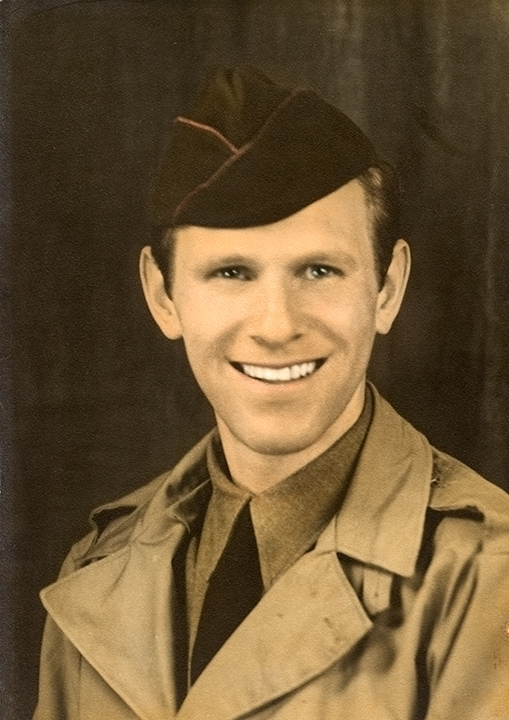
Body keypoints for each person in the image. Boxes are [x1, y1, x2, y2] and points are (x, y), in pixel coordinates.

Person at [34, 67, 509, 720]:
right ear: (163, 297)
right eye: (232, 272)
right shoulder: (99, 568)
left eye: (319, 270)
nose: (277, 326)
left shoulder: (486, 576)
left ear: (387, 288)